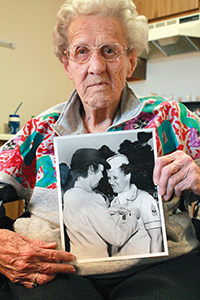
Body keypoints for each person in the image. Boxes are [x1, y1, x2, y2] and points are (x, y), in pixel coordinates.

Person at [0, 0, 200, 299]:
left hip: (158, 269)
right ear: (67, 64)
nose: (96, 66)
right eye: (82, 51)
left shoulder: (171, 118)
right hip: (53, 271)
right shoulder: (38, 129)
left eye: (110, 50)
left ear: (131, 60)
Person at [63, 148, 139, 259]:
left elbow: (88, 224)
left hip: (77, 259)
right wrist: (133, 217)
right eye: (100, 171)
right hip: (98, 264)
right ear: (90, 169)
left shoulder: (68, 195)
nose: (102, 176)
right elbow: (118, 238)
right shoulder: (93, 199)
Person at [106, 153, 162, 256]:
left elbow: (157, 237)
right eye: (109, 178)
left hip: (140, 266)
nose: (111, 182)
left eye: (115, 177)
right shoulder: (113, 203)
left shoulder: (144, 199)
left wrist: (152, 266)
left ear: (128, 176)